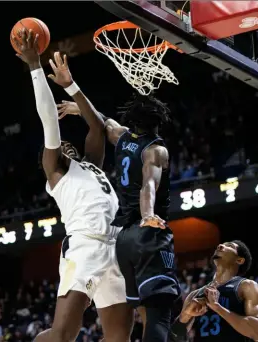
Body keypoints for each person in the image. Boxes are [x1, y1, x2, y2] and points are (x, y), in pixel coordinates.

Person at [12, 29, 133, 342]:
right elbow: (50, 121)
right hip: (85, 246)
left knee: (120, 337)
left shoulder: (91, 162)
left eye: (67, 142)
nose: (63, 144)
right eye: (56, 146)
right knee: (64, 334)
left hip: (116, 246)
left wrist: (73, 87)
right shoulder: (57, 172)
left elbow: (97, 124)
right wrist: (35, 66)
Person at [57, 94, 179, 342]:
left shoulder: (123, 138)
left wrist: (79, 107)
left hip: (121, 240)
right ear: (159, 121)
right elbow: (149, 186)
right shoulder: (156, 150)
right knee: (156, 314)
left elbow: (104, 123)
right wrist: (148, 216)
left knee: (126, 326)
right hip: (144, 233)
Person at [172, 241, 258, 342]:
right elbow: (175, 337)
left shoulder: (246, 286)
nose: (220, 246)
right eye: (221, 245)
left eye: (229, 246)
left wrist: (217, 307)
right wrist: (186, 315)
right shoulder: (194, 294)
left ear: (239, 260)